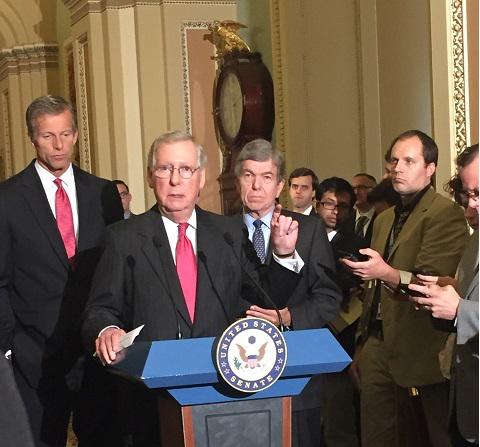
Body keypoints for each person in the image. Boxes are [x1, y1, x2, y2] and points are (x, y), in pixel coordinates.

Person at [82, 131, 302, 446]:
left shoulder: (227, 233)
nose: (175, 180)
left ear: (200, 178)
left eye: (186, 169)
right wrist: (106, 329)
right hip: (151, 401)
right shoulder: (124, 237)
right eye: (165, 169)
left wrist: (282, 255)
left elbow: (265, 298)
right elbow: (100, 308)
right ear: (150, 177)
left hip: (221, 392)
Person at [0, 95, 124, 446]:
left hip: (97, 354)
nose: (59, 145)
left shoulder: (102, 193)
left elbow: (115, 270)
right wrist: (9, 346)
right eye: (48, 136)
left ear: (76, 134)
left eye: (66, 134)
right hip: (33, 358)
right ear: (32, 138)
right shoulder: (7, 199)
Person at [343, 130, 469, 447]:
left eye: (409, 161)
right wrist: (363, 342)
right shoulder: (383, 218)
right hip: (377, 342)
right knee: (376, 436)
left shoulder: (445, 213)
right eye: (394, 161)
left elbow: (433, 284)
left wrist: (386, 272)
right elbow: (371, 290)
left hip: (422, 347)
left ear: (430, 168)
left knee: (430, 436)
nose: (397, 168)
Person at [234, 138, 342, 447]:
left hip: (297, 374)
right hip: (239, 373)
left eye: (266, 177)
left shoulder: (309, 230)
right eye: (248, 175)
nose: (257, 186)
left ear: (280, 185)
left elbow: (328, 298)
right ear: (238, 180)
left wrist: (288, 316)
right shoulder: (219, 232)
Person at [409, 143, 479, 446]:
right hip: (467, 400)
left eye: (478, 193)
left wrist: (460, 310)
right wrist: (441, 296)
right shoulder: (475, 240)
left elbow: (466, 308)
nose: (472, 205)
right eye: (468, 194)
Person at [315, 177, 368, 447]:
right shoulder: (300, 235)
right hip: (307, 333)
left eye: (342, 206)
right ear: (317, 204)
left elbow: (354, 285)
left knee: (339, 416)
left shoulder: (358, 244)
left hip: (341, 337)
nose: (335, 211)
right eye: (328, 204)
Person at [350, 173, 377, 243]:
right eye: (353, 188)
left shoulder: (382, 218)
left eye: (361, 187)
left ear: (374, 190)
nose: (355, 192)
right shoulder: (345, 218)